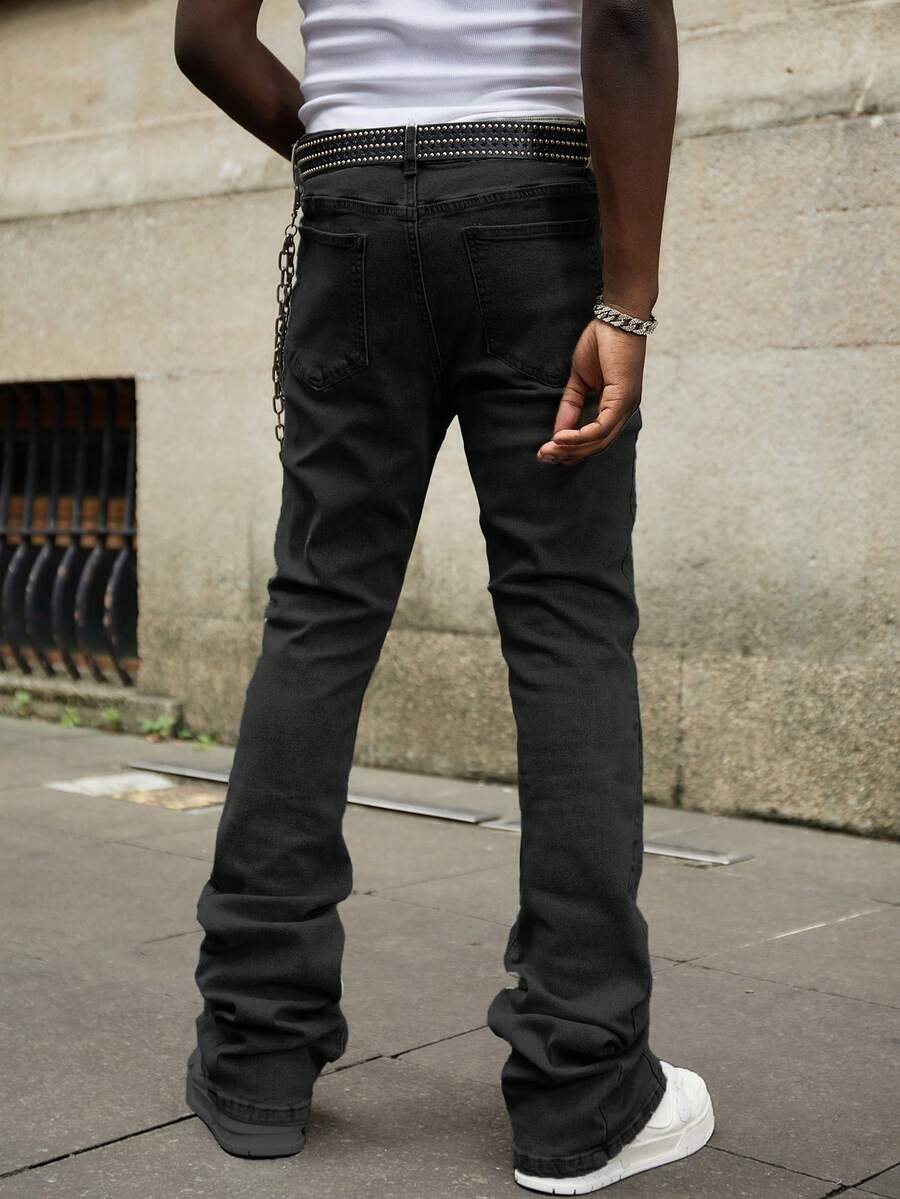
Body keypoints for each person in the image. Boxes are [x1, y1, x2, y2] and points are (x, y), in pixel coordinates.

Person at [173, 0, 714, 1192]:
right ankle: (582, 1087)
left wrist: (356, 157)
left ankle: (256, 1057)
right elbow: (625, 16)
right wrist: (628, 295)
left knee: (317, 616)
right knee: (568, 627)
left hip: (351, 204)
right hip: (535, 204)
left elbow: (207, 37)